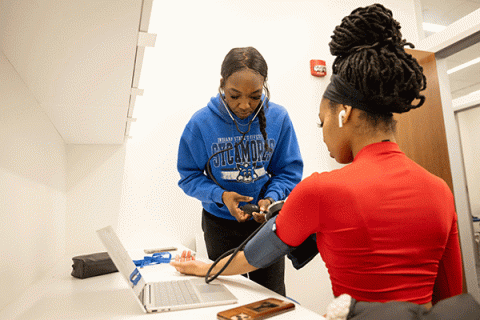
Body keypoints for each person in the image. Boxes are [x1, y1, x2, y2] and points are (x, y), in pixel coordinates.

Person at [171, 4, 463, 310]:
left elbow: (255, 257)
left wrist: (204, 268)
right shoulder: (440, 191)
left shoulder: (319, 191)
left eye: (321, 122)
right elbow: (451, 302)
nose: (322, 135)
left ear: (344, 114)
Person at [176, 46, 304, 296]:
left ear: (264, 87)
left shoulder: (278, 118)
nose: (244, 105)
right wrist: (221, 196)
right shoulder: (201, 123)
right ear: (222, 84)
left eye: (255, 96)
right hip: (219, 225)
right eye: (234, 95)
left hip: (264, 224)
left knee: (270, 296)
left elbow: (288, 170)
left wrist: (270, 199)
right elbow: (189, 177)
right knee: (227, 293)